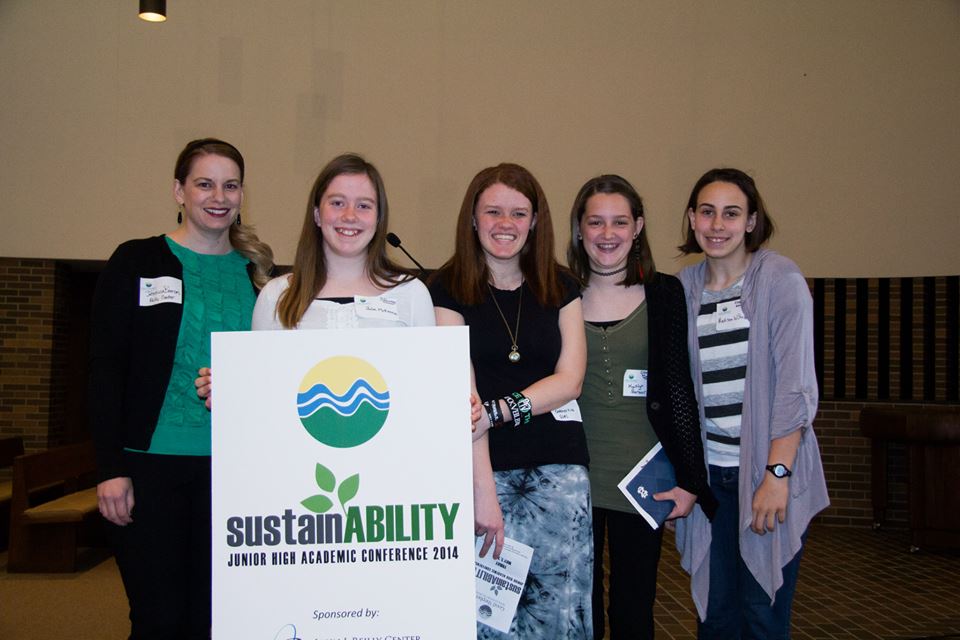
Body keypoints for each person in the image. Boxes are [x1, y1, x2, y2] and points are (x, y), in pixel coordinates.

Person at [89, 138, 274, 639]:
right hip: (149, 467)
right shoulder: (137, 261)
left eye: (230, 185)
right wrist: (110, 469)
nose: (219, 196)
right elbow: (105, 369)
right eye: (204, 183)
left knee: (216, 620)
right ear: (179, 190)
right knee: (158, 618)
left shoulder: (261, 277)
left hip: (234, 473)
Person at [429, 163, 591, 639]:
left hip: (559, 474)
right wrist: (484, 491)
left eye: (518, 213)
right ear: (473, 219)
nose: (506, 223)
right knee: (489, 620)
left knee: (557, 617)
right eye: (493, 211)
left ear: (535, 221)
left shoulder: (561, 286)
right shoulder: (445, 289)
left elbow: (571, 379)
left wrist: (498, 413)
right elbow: (464, 397)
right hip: (485, 473)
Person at [675, 168, 829, 639]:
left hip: (765, 474)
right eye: (707, 212)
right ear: (692, 219)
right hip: (710, 483)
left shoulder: (778, 279)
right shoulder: (683, 289)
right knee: (715, 617)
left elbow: (795, 388)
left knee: (761, 614)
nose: (717, 224)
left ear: (751, 221)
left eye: (731, 213)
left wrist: (776, 476)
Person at [567, 175, 717, 639]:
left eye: (619, 221)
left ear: (638, 228)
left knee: (634, 610)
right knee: (579, 612)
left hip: (643, 482)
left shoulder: (665, 293)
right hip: (573, 478)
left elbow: (678, 388)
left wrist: (691, 480)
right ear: (579, 230)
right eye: (595, 222)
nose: (607, 233)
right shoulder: (557, 292)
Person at [249, 153, 434, 331]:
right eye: (337, 203)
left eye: (363, 206)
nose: (350, 216)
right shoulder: (275, 297)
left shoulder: (412, 294)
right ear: (317, 215)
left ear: (378, 219)